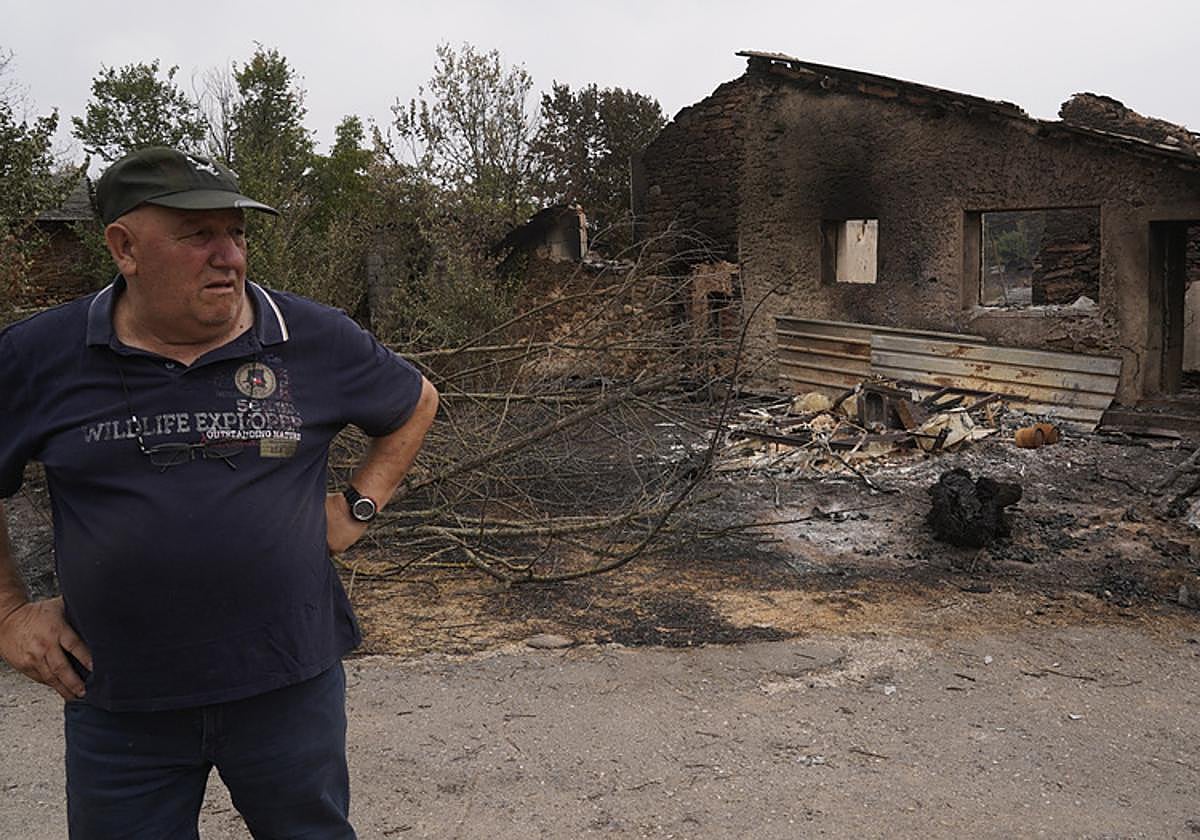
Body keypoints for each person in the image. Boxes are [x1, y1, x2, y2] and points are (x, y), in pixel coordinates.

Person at [0, 146, 438, 838]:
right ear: (124, 247)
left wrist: (358, 506)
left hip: (289, 688)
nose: (228, 255)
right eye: (198, 235)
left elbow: (416, 401)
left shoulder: (310, 337)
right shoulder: (38, 357)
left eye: (236, 233)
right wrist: (8, 611)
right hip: (120, 703)